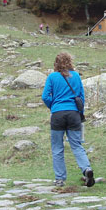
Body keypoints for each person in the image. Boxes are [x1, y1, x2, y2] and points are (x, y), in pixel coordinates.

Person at [41, 52, 94, 188]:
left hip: (58, 114)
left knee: (57, 147)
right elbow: (81, 97)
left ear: (56, 63)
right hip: (74, 114)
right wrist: (80, 114)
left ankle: (60, 179)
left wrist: (53, 106)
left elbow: (45, 96)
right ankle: (86, 169)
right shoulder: (76, 76)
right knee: (76, 145)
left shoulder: (52, 77)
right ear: (70, 61)